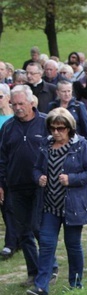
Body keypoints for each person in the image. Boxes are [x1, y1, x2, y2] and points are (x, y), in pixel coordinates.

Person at [27, 108, 87, 295]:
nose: (56, 132)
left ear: (69, 128)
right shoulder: (46, 144)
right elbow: (36, 169)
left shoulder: (80, 145)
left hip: (73, 206)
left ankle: (76, 283)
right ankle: (41, 286)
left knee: (72, 244)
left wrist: (72, 179)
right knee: (47, 244)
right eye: (52, 128)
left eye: (60, 128)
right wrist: (39, 177)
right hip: (50, 205)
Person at [0, 85, 49, 286]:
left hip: (40, 185)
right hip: (15, 186)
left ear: (31, 102)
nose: (18, 107)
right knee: (24, 231)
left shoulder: (45, 123)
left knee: (38, 227)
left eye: (21, 103)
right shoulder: (8, 127)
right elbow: (1, 157)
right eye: (15, 104)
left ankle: (49, 267)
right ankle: (34, 271)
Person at [0, 84, 18, 260]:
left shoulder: (15, 117)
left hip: (18, 167)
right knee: (5, 205)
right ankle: (12, 241)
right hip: (2, 165)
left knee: (13, 205)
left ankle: (14, 240)